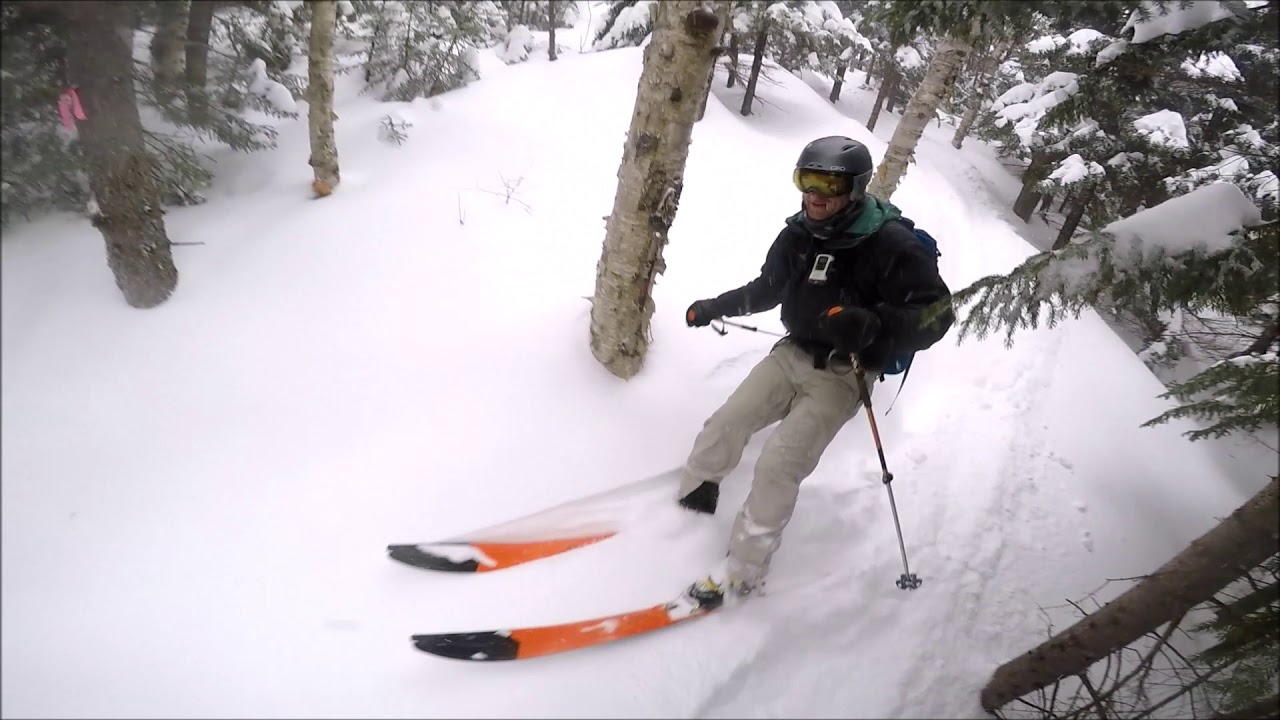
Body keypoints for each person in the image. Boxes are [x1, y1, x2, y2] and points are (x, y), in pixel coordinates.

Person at [678, 135, 954, 598]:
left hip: (844, 372)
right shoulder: (799, 234)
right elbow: (768, 287)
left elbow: (937, 316)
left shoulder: (892, 244)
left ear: (856, 188)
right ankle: (690, 504)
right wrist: (715, 307)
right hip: (791, 352)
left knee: (778, 465)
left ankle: (742, 572)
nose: (815, 195)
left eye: (829, 185)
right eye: (807, 180)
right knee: (725, 423)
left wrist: (874, 323)